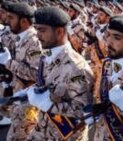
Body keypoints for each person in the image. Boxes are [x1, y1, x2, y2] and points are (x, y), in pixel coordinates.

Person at [25, 6, 94, 141]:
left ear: (60, 32)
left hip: (66, 136)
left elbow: (84, 111)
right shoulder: (46, 55)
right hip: (42, 129)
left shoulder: (77, 68)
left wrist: (49, 105)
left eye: (42, 30)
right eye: (36, 29)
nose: (37, 35)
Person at [0, 3, 42, 141]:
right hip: (18, 94)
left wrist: (9, 62)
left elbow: (37, 74)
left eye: (11, 17)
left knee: (16, 137)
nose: (7, 20)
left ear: (23, 21)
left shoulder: (34, 41)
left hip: (29, 100)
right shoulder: (19, 36)